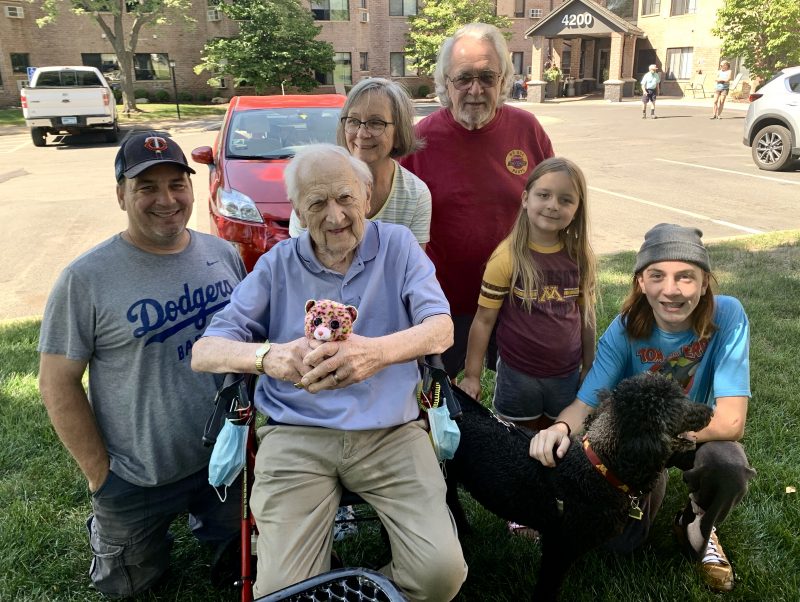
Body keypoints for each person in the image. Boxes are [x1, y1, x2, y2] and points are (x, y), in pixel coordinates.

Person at [191, 144, 467, 601]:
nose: (335, 216)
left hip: (391, 433)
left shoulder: (397, 246)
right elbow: (205, 351)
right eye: (317, 203)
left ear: (366, 194)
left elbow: (439, 329)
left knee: (441, 575)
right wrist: (270, 358)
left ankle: (356, 590)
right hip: (296, 436)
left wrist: (375, 354)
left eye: (345, 198)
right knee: (280, 593)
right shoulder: (278, 264)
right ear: (298, 210)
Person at [37, 132, 247, 597]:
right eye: (146, 187)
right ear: (120, 195)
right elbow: (57, 384)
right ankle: (116, 529)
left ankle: (208, 520)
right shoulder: (85, 279)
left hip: (224, 458)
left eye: (177, 184)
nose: (166, 199)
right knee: (130, 587)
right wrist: (100, 473)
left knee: (242, 567)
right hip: (135, 474)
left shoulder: (223, 254)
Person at [530, 223, 754, 593]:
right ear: (640, 283)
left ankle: (698, 524)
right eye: (657, 276)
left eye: (686, 277)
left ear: (704, 282)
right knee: (620, 544)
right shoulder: (624, 330)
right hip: (639, 444)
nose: (671, 290)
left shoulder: (727, 315)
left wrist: (670, 437)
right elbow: (586, 401)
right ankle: (648, 490)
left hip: (694, 429)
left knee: (728, 465)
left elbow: (731, 421)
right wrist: (559, 428)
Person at [400, 22, 555, 378]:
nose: (475, 89)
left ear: (503, 81)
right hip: (443, 303)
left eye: (487, 77)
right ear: (445, 82)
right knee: (438, 403)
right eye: (463, 78)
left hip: (517, 299)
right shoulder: (419, 140)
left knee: (519, 403)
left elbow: (554, 206)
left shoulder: (527, 129)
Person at [460, 156, 597, 540]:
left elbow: (586, 318)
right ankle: (521, 506)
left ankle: (559, 495)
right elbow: (483, 320)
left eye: (566, 200)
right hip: (518, 373)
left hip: (566, 373)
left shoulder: (580, 258)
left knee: (561, 436)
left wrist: (591, 366)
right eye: (544, 195)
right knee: (518, 440)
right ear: (524, 199)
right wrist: (472, 375)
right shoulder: (507, 257)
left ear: (577, 209)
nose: (553, 205)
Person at [290, 77, 431, 248]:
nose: (362, 133)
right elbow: (301, 262)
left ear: (399, 132)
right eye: (354, 121)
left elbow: (413, 269)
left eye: (376, 123)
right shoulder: (314, 182)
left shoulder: (415, 196)